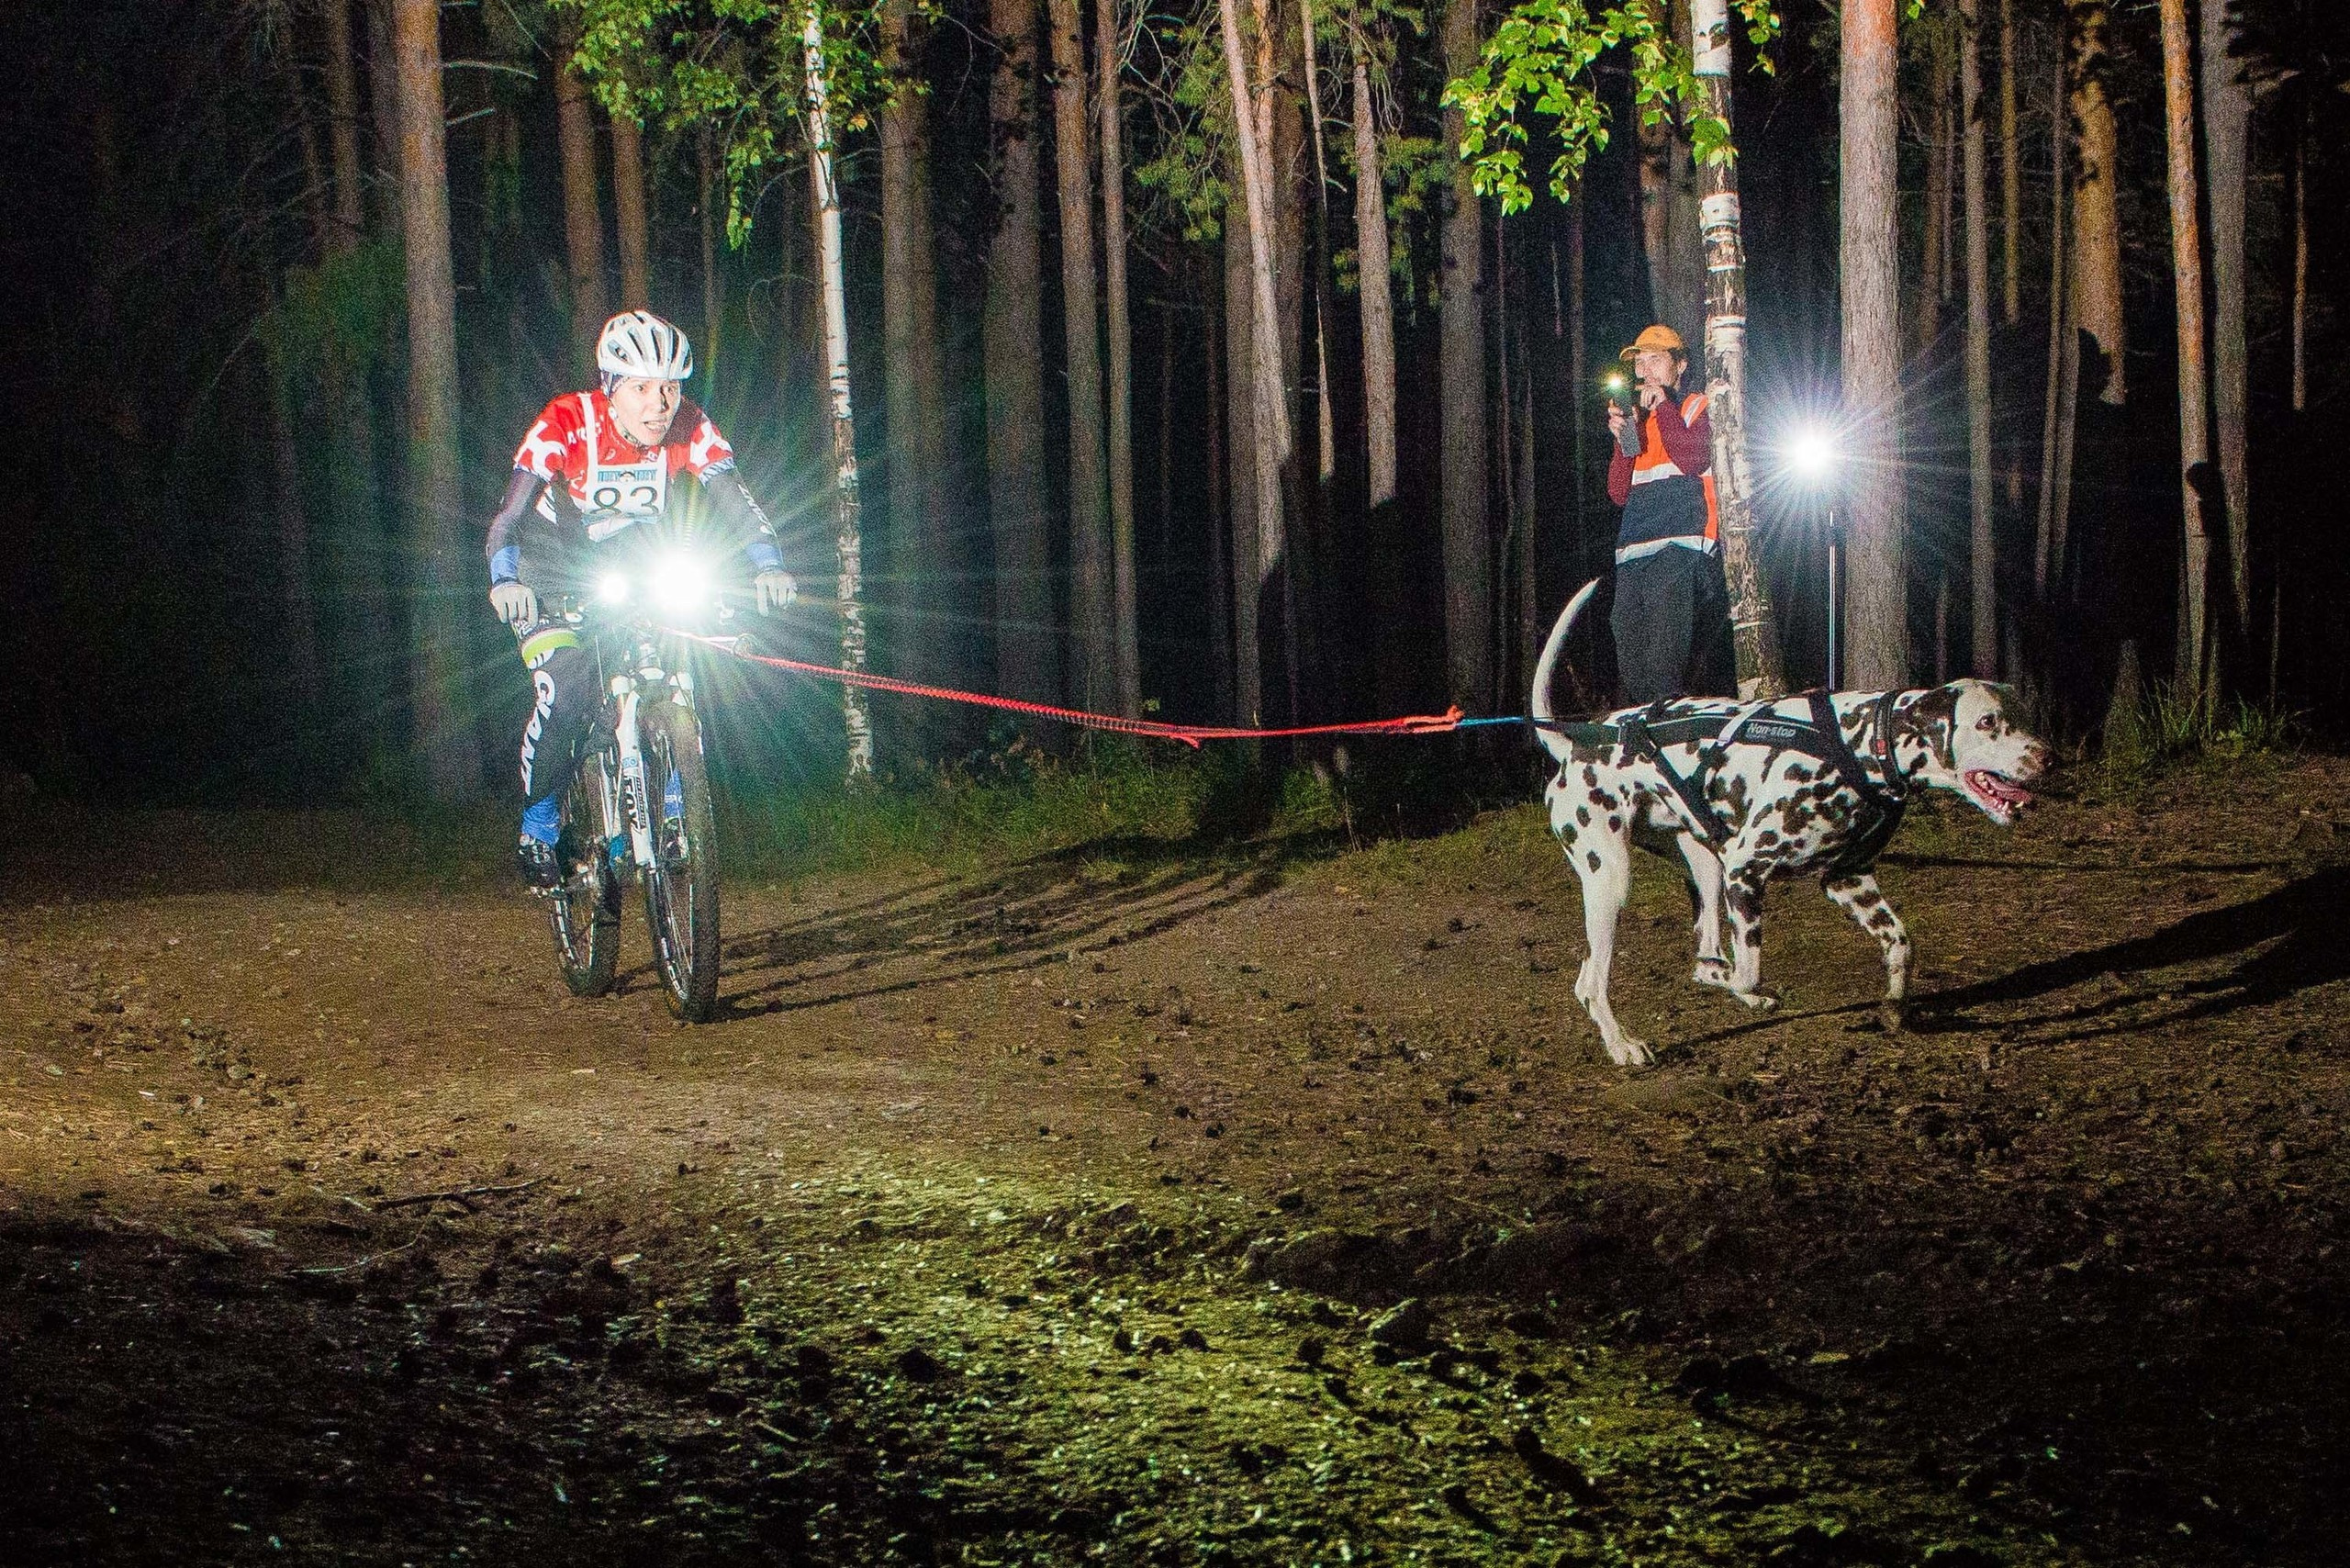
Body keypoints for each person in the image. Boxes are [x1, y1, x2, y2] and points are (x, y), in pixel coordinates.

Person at [484, 309, 797, 889]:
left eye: (671, 388)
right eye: (642, 388)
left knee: (684, 651)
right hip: (548, 569)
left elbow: (735, 499)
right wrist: (506, 580)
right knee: (568, 692)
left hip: (629, 561)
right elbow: (508, 517)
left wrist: (767, 565)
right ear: (610, 388)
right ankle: (540, 820)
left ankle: (679, 807)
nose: (660, 404)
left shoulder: (690, 427)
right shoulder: (566, 422)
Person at [1604, 324, 1737, 704]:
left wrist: (1663, 406)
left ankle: (1669, 723)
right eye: (1640, 362)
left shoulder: (1698, 405)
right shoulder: (1638, 422)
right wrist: (1622, 441)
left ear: (1679, 365)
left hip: (1682, 544)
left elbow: (1693, 458)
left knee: (1665, 650)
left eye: (1656, 359)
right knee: (1625, 637)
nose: (1645, 369)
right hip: (1634, 549)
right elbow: (1618, 493)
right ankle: (1649, 724)